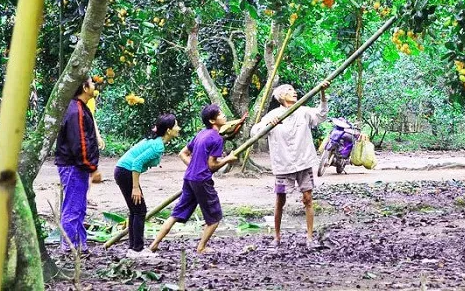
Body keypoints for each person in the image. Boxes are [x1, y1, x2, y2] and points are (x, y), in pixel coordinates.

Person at [149, 104, 240, 254]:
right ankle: (201, 247)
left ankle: (154, 244)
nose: (224, 116)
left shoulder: (201, 134)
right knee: (214, 218)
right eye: (220, 114)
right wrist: (227, 159)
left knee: (175, 214)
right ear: (212, 121)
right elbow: (211, 166)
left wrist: (195, 167)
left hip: (190, 178)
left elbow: (182, 153)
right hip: (202, 180)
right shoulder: (217, 138)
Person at [250, 81, 329, 248]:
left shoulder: (303, 111)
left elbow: (321, 115)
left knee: (308, 199)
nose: (294, 92)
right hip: (283, 164)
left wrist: (322, 93)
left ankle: (309, 237)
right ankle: (277, 237)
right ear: (281, 97)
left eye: (294, 90)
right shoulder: (274, 115)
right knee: (280, 200)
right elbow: (254, 132)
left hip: (304, 161)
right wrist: (268, 125)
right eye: (289, 90)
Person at [115, 114, 181, 258]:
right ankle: (137, 249)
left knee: (135, 210)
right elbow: (137, 163)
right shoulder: (157, 146)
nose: (179, 128)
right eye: (176, 125)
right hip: (126, 172)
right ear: (168, 130)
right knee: (139, 210)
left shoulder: (157, 142)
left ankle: (133, 248)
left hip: (123, 171)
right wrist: (135, 187)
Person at [55, 77, 102, 252]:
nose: (94, 86)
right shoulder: (77, 112)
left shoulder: (80, 108)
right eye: (92, 83)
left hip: (76, 166)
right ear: (84, 87)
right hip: (73, 166)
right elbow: (80, 144)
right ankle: (69, 248)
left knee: (79, 207)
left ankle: (80, 246)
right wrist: (92, 167)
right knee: (73, 208)